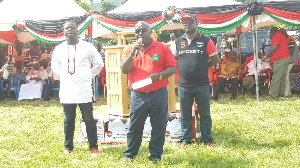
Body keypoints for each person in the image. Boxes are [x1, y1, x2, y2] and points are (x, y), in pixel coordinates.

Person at [121, 21, 177, 162]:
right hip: (138, 95)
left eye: (143, 30)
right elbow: (124, 69)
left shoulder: (162, 47)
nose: (140, 34)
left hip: (158, 93)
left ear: (150, 32)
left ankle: (155, 156)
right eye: (137, 31)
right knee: (135, 126)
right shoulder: (129, 49)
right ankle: (130, 155)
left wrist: (159, 75)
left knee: (158, 126)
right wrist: (133, 53)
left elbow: (172, 68)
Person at [51, 21, 104, 156]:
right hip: (67, 88)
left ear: (77, 30)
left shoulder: (87, 46)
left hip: (83, 88)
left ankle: (93, 147)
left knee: (88, 119)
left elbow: (99, 63)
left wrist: (88, 75)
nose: (70, 30)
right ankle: (68, 146)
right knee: (69, 119)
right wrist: (64, 76)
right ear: (63, 31)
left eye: (73, 28)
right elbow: (55, 66)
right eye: (67, 28)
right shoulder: (59, 49)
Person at [172, 14, 220, 148]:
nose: (186, 24)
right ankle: (186, 140)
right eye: (184, 22)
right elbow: (171, 59)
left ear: (196, 24)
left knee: (205, 114)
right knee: (185, 114)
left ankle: (207, 139)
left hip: (202, 84)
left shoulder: (205, 40)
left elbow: (215, 59)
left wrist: (204, 66)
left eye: (190, 22)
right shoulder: (177, 42)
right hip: (184, 85)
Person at [265, 27, 290, 98]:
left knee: (276, 78)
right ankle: (281, 94)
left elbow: (274, 48)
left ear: (273, 32)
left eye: (269, 33)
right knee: (282, 78)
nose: (269, 35)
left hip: (280, 59)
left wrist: (266, 56)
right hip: (285, 58)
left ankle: (273, 95)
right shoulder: (282, 36)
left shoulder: (276, 36)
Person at [278, 28, 300, 96]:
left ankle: (286, 93)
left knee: (285, 76)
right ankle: (287, 92)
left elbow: (290, 51)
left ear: (284, 33)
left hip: (289, 60)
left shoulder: (290, 39)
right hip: (288, 60)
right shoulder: (286, 39)